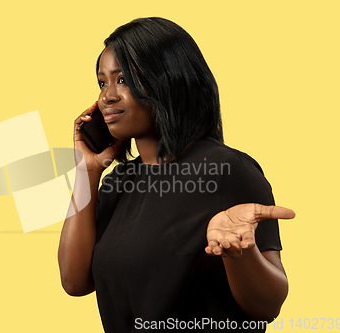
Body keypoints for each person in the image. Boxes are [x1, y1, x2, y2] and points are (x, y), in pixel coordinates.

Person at [58, 17, 295, 333]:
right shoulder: (118, 182)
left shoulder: (227, 170)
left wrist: (242, 255)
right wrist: (87, 171)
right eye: (102, 82)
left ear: (168, 80)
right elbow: (75, 281)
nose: (107, 97)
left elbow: (269, 306)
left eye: (123, 79)